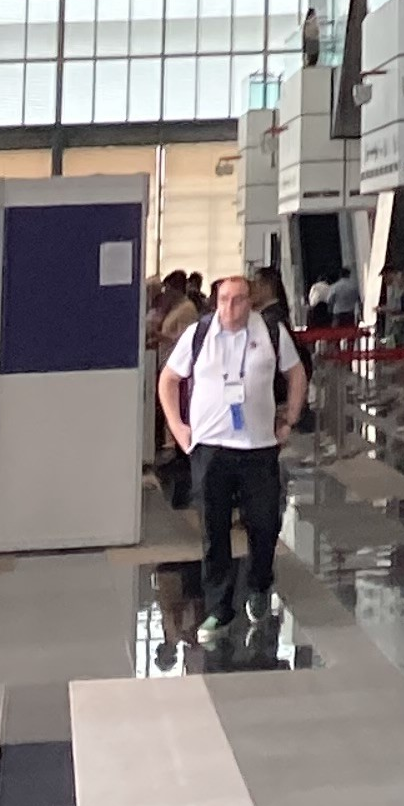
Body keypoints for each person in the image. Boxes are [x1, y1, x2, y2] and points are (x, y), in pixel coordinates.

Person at [156, 262, 307, 640]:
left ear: (250, 302)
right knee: (214, 529)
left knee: (263, 521)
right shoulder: (199, 334)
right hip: (210, 448)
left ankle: (259, 582)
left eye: (239, 300)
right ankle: (219, 607)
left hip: (258, 448)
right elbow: (169, 380)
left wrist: (290, 414)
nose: (230, 308)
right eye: (223, 300)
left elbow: (296, 373)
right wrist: (178, 427)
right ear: (215, 302)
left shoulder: (270, 332)